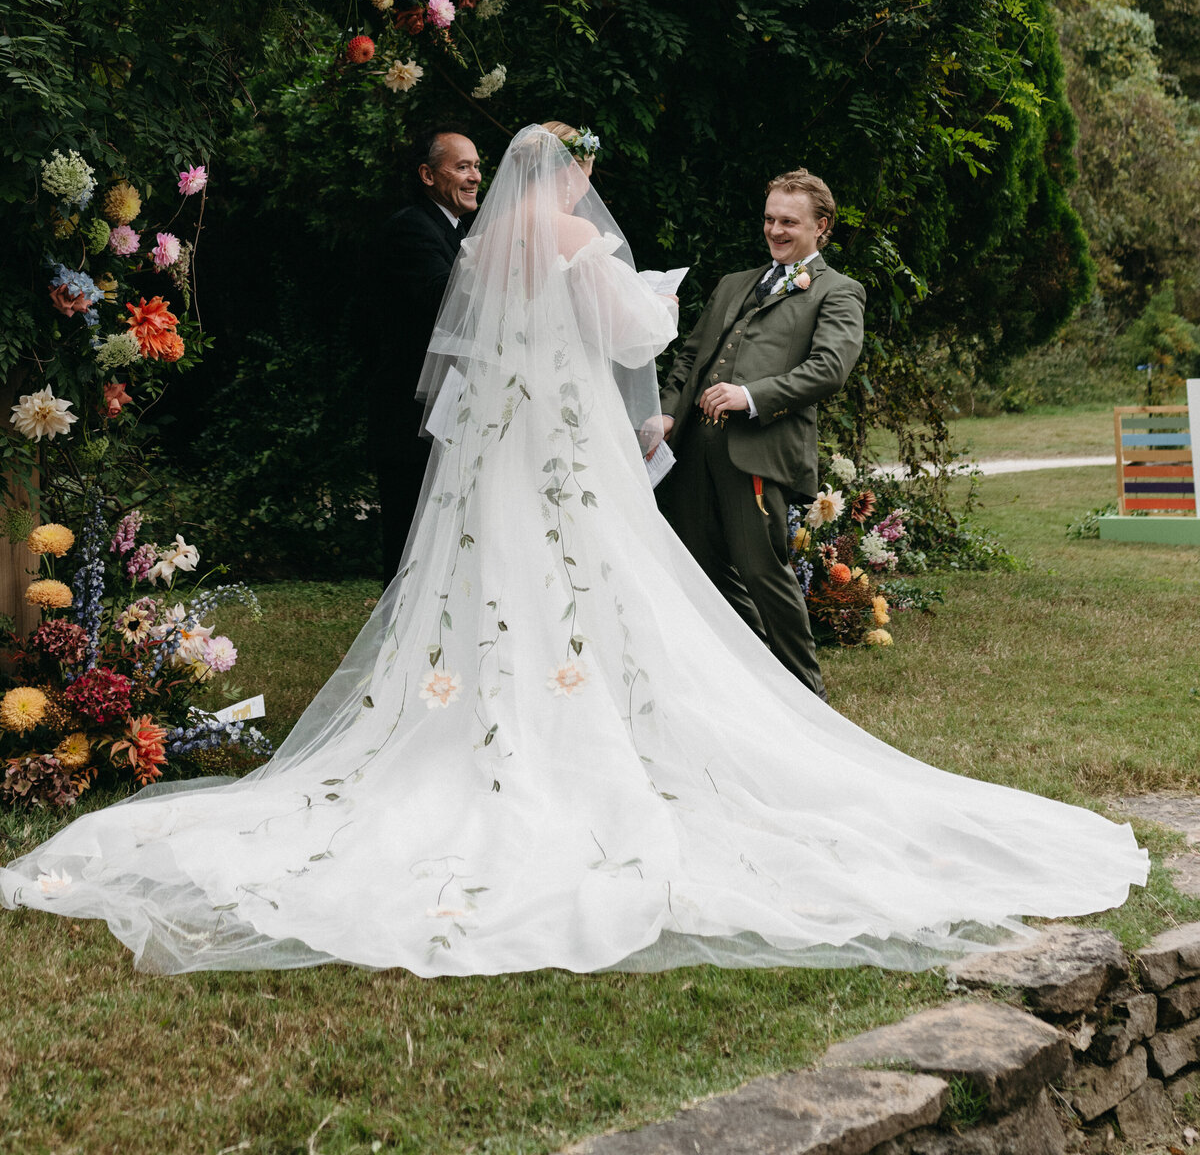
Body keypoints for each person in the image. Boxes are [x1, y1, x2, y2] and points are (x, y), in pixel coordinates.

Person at [0, 127, 1146, 977]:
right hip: (568, 441)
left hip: (500, 451)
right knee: (600, 584)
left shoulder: (493, 234)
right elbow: (634, 334)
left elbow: (471, 345)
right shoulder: (569, 229)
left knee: (487, 580)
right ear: (570, 176)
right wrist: (652, 294)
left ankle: (465, 728)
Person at [646, 170, 864, 700]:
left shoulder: (838, 292)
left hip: (759, 452)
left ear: (822, 227)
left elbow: (829, 368)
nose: (776, 230)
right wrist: (669, 413)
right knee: (697, 567)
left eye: (789, 221)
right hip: (694, 447)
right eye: (770, 219)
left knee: (763, 573)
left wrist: (751, 396)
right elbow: (692, 357)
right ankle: (760, 684)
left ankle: (806, 696)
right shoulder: (734, 284)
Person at [367, 126, 481, 569]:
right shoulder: (411, 228)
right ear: (428, 175)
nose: (474, 177)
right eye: (462, 166)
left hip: (446, 411)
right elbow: (441, 300)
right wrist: (492, 258)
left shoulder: (458, 229)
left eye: (477, 166)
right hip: (409, 417)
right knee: (408, 544)